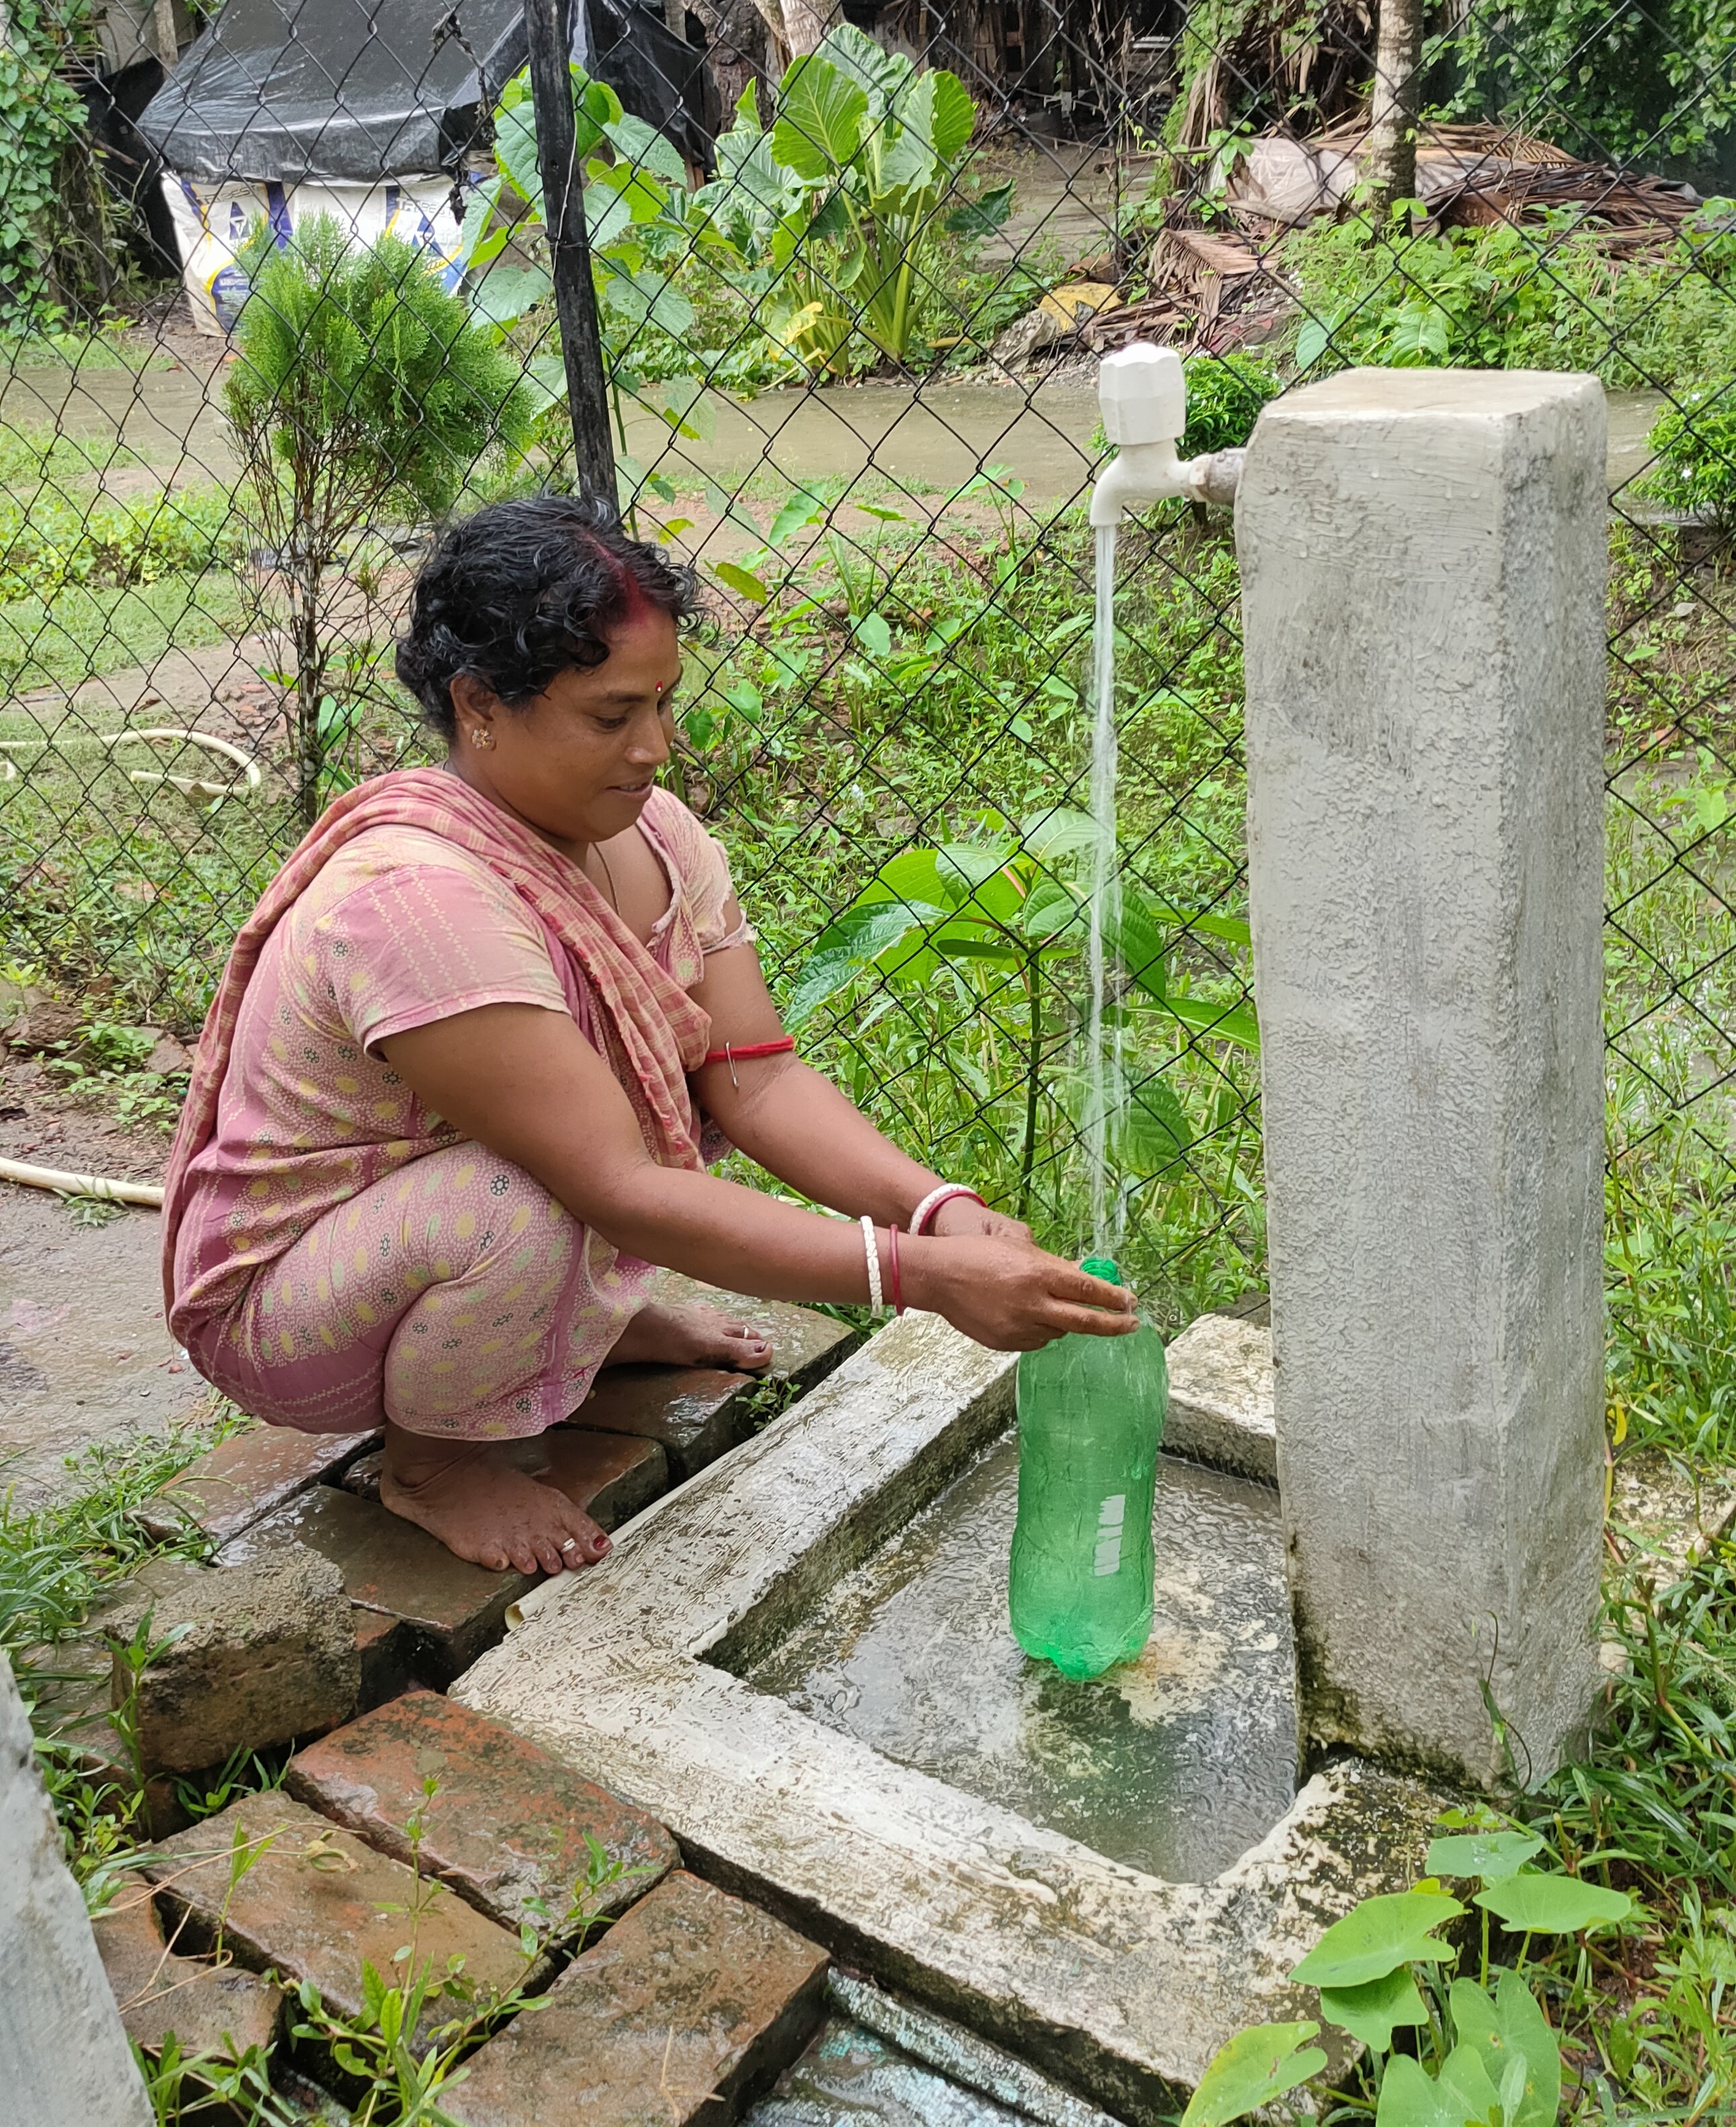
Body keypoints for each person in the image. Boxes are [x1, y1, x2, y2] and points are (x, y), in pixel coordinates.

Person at [162, 495, 1134, 1576]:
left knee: (615, 1142)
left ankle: (578, 1331)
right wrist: (918, 1276)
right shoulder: (417, 905)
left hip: (452, 1235)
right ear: (478, 703)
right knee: (525, 1200)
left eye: (663, 705)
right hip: (303, 1301)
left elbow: (753, 1079)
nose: (655, 748)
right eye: (611, 714)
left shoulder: (651, 836)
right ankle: (432, 1465)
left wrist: (936, 1212)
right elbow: (616, 1188)